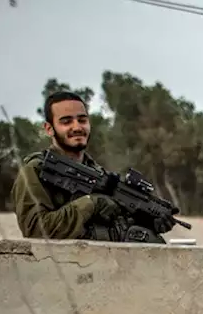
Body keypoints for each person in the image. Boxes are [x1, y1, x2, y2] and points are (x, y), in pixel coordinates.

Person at [11, 90, 123, 241]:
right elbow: (35, 229)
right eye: (66, 121)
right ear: (49, 129)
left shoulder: (98, 174)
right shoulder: (35, 171)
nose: (77, 127)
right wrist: (91, 203)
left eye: (82, 120)